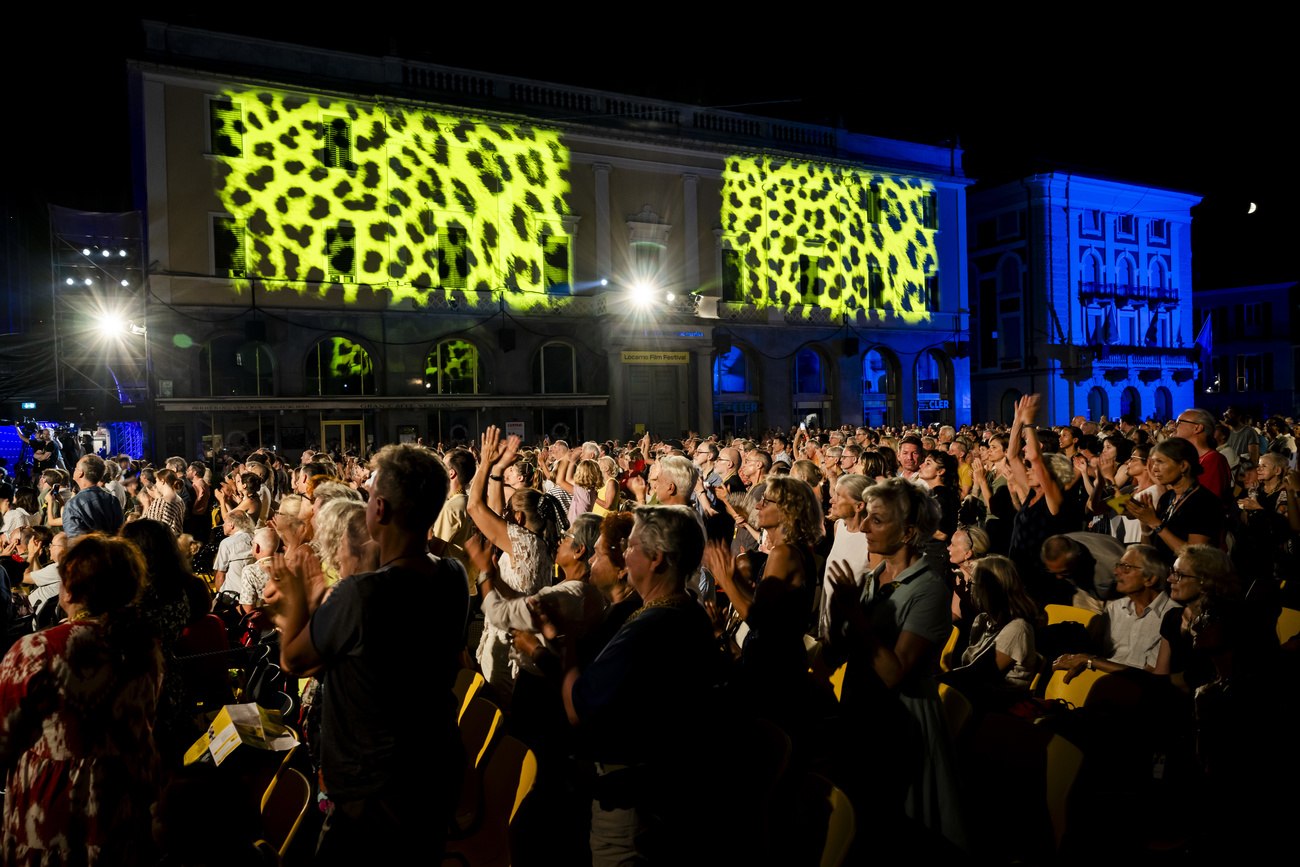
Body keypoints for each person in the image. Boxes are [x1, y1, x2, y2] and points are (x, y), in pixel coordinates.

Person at [265, 443, 468, 864]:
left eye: (372, 494)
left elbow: (293, 659)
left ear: (380, 510)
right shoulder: (453, 575)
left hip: (372, 792)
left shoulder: (363, 594)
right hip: (432, 773)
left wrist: (300, 591)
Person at [540, 505, 717, 865]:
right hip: (661, 790)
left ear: (655, 558)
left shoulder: (650, 626)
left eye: (632, 546)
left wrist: (565, 639)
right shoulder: (687, 609)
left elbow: (578, 709)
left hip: (631, 802)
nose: (623, 555)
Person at [0, 534, 163, 863]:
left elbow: (3, 735)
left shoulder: (39, 649)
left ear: (69, 590)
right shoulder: (144, 644)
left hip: (55, 810)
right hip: (126, 801)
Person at [824, 477, 966, 852]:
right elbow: (843, 651)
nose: (865, 527)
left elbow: (893, 672)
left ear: (908, 532)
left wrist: (855, 615)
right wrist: (839, 617)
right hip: (864, 715)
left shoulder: (929, 589)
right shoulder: (873, 578)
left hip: (903, 725)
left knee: (902, 836)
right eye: (867, 517)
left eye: (878, 520)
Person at [467, 427, 557, 702]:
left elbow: (475, 508)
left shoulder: (524, 542)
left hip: (509, 643)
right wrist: (497, 470)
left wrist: (484, 462)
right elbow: (493, 512)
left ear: (517, 518)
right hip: (517, 635)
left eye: (508, 514)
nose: (502, 518)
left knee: (502, 711)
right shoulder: (537, 542)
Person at [1052, 544, 1177, 680]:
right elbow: (1095, 651)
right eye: (1119, 565)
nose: (1117, 571)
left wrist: (1090, 661)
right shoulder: (1114, 608)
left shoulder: (1173, 616)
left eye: (1126, 567)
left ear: (1150, 579)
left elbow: (1150, 677)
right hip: (1100, 682)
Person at [946, 555, 1039, 701]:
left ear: (989, 590)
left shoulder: (1018, 629)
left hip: (998, 709)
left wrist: (932, 681)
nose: (968, 588)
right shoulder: (983, 620)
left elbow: (976, 674)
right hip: (973, 697)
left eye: (971, 584)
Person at [1125, 438, 1223, 567]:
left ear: (1183, 466)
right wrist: (1145, 526)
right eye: (1153, 463)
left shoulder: (1204, 502)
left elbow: (1195, 556)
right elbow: (1153, 550)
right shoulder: (1167, 498)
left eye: (1160, 462)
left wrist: (1155, 523)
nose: (1154, 469)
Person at [817, 474, 874, 643]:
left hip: (852, 627)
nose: (832, 500)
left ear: (859, 506)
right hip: (828, 615)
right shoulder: (838, 526)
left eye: (838, 496)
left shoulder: (872, 540)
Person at [60, 456, 125, 539]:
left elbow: (75, 541)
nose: (74, 470)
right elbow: (119, 532)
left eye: (76, 468)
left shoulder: (73, 504)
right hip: (111, 549)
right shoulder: (112, 500)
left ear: (81, 473)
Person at [143, 469, 186, 536]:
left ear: (162, 481)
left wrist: (146, 505)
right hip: (174, 541)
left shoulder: (161, 502)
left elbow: (149, 526)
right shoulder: (180, 500)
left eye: (157, 481)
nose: (156, 484)